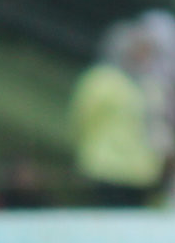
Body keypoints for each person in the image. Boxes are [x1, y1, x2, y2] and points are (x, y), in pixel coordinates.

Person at [71, 23, 166, 206]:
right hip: (106, 166)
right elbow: (82, 119)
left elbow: (156, 125)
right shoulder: (100, 80)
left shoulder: (151, 86)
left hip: (142, 172)